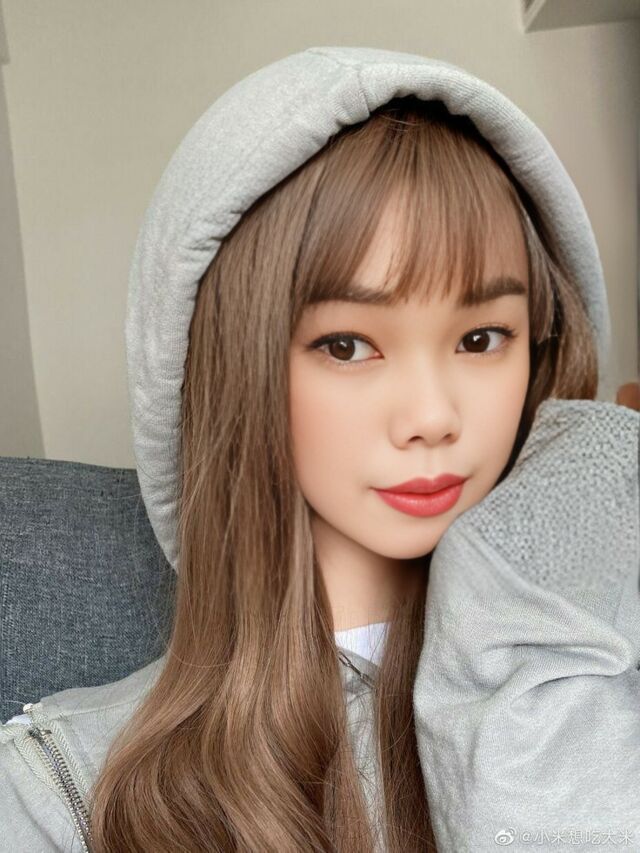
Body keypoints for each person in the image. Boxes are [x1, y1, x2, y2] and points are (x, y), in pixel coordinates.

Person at [1, 45, 638, 853]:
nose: (432, 415)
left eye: (481, 338)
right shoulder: (66, 787)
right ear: (236, 366)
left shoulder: (608, 694)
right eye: (346, 345)